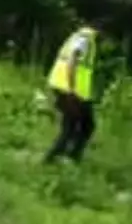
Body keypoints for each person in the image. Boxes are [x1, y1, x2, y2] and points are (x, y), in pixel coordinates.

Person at [43, 20, 102, 163]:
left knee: (85, 124)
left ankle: (70, 157)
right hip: (69, 89)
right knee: (72, 127)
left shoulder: (78, 36)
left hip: (68, 88)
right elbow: (72, 60)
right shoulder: (85, 39)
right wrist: (71, 88)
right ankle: (52, 159)